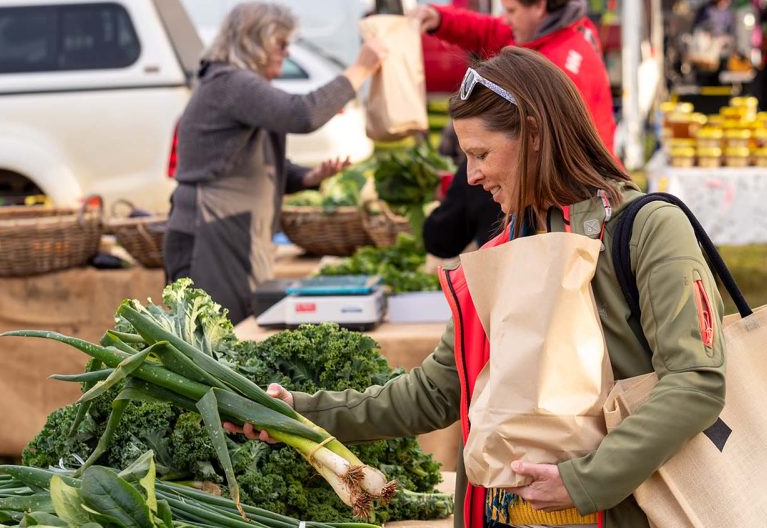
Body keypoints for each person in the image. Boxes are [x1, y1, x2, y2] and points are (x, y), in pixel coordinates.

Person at [228, 47, 727, 528]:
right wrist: (298, 411)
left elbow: (694, 383)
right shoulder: (505, 247)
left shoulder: (648, 229)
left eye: (481, 153)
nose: (471, 175)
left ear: (533, 134)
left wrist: (583, 481)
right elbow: (436, 393)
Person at [163, 2, 388, 323]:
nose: (286, 53)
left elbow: (250, 162)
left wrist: (307, 177)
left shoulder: (235, 84)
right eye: (280, 44)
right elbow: (303, 113)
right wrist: (360, 70)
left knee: (231, 334)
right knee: (217, 340)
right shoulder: (230, 83)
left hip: (229, 229)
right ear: (253, 41)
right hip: (212, 232)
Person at [409, 0, 616, 152]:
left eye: (511, 10)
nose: (505, 18)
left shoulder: (559, 64)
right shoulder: (547, 33)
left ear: (539, 6)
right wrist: (439, 19)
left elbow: (548, 146)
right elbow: (486, 29)